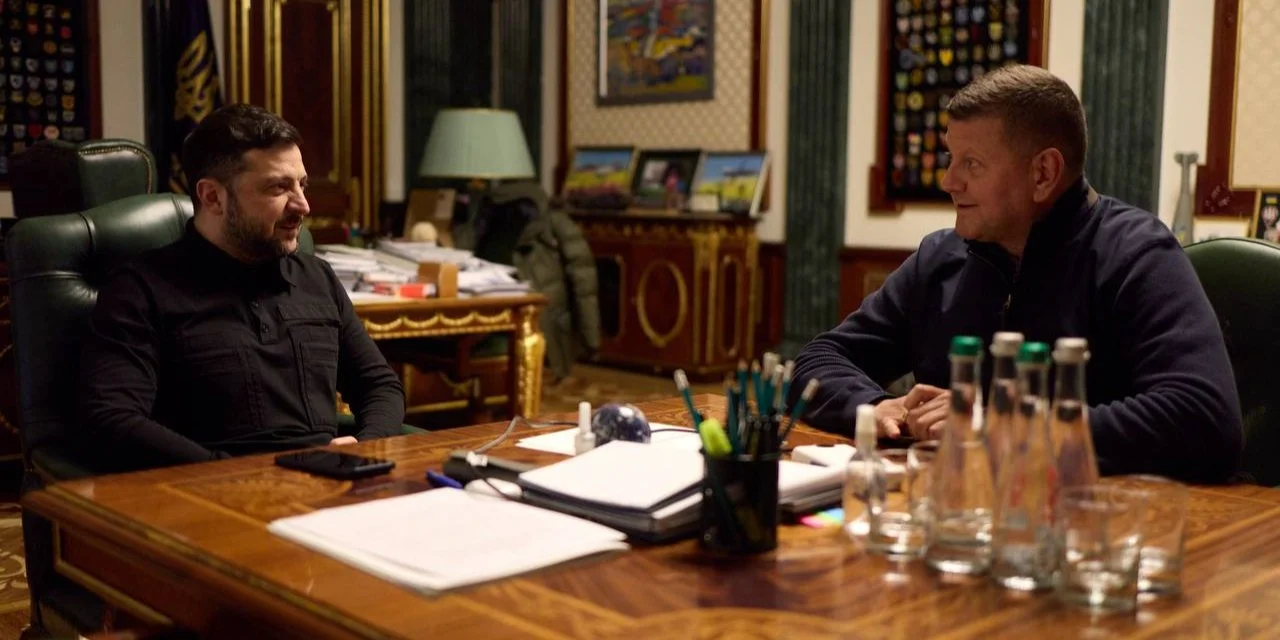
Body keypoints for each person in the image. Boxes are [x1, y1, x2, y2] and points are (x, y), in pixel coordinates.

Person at [791, 65, 1243, 483]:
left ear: (1043, 173)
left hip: (1093, 519)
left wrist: (1008, 427)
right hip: (954, 507)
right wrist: (873, 407)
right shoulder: (941, 257)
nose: (949, 182)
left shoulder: (1135, 253)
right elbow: (819, 360)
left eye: (972, 163)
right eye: (951, 158)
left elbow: (1204, 419)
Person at [78, 104, 406, 472]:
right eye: (279, 187)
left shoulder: (318, 278)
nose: (303, 205)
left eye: (302, 185)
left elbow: (379, 386)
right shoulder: (140, 289)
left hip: (331, 484)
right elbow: (113, 420)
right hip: (210, 491)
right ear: (212, 197)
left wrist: (365, 447)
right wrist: (236, 474)